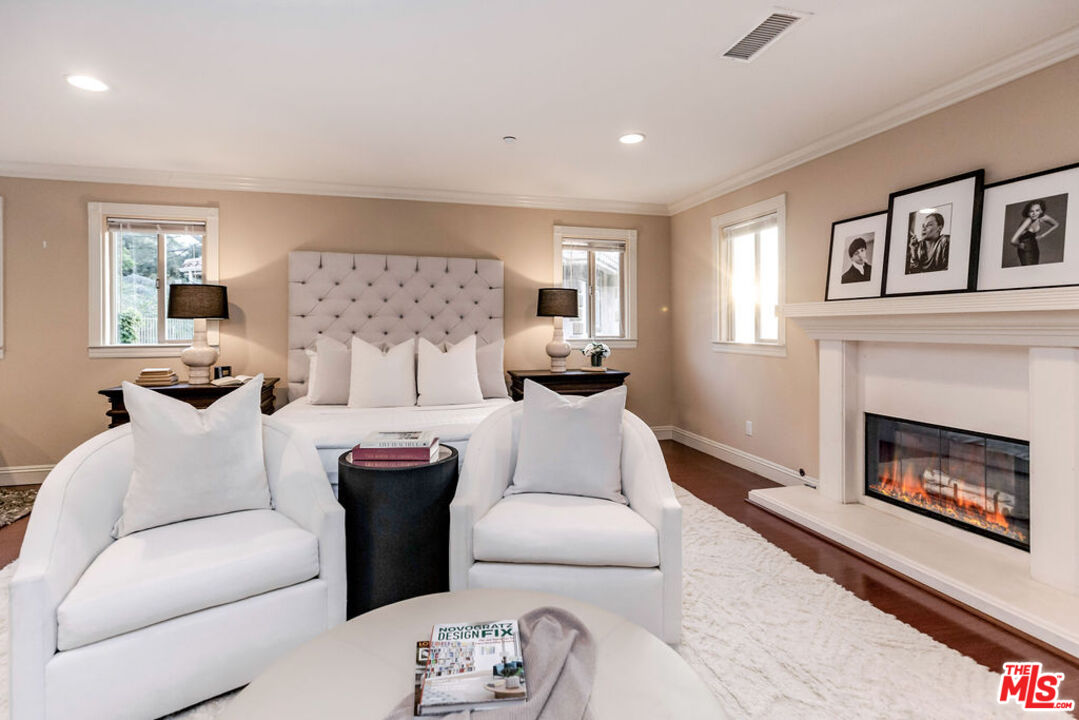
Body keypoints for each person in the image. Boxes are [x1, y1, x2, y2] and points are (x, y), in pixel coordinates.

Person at [1009, 199, 1060, 266]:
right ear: (1028, 213)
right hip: (1025, 249)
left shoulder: (1042, 217)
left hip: (1034, 247)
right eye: (1031, 211)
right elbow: (1012, 241)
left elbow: (1056, 224)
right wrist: (1019, 245)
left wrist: (1042, 235)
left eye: (1037, 210)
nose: (1034, 213)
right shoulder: (1028, 220)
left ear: (1041, 211)